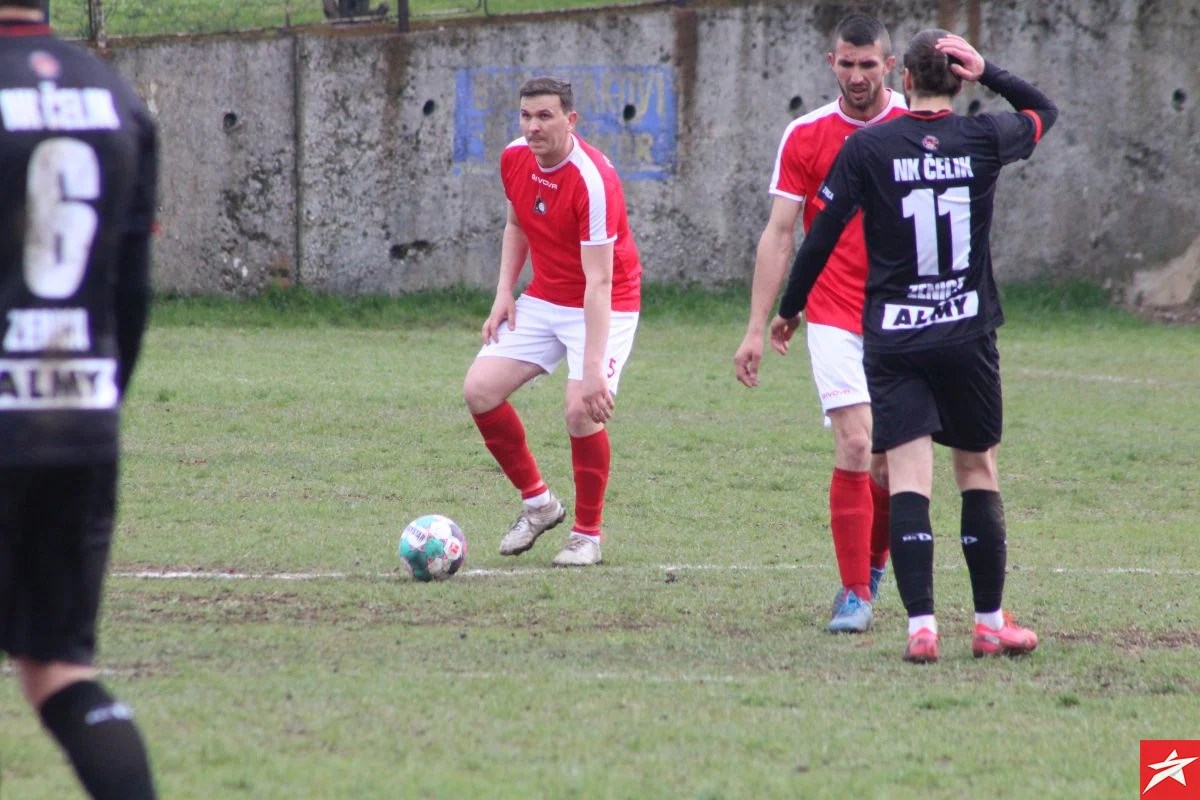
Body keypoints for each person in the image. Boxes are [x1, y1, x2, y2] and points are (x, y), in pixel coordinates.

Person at [770, 31, 1057, 662]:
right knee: (976, 470)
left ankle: (920, 629)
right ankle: (989, 624)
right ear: (958, 81)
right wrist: (991, 72)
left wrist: (788, 309)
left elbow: (819, 237)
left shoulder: (869, 147)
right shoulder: (984, 137)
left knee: (907, 478)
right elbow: (1043, 110)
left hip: (895, 337)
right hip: (965, 333)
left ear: (903, 80)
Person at [0, 1, 159, 797]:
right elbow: (133, 289)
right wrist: (97, 399)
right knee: (61, 671)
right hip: (78, 419)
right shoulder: (114, 95)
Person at [734, 14, 906, 633]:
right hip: (832, 311)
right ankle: (855, 594)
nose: (857, 76)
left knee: (888, 463)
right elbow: (780, 233)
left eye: (868, 64)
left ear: (889, 66)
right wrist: (758, 325)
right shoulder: (805, 135)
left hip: (903, 315)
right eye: (846, 63)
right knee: (856, 444)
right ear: (831, 63)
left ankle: (874, 564)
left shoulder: (914, 127)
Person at [463, 76, 641, 567]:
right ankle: (539, 504)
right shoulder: (514, 157)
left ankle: (587, 536)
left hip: (606, 301)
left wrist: (592, 369)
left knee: (581, 410)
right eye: (526, 116)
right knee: (479, 390)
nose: (533, 127)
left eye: (545, 116)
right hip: (545, 296)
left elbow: (599, 282)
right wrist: (504, 292)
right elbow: (516, 224)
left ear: (570, 119)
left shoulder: (593, 181)